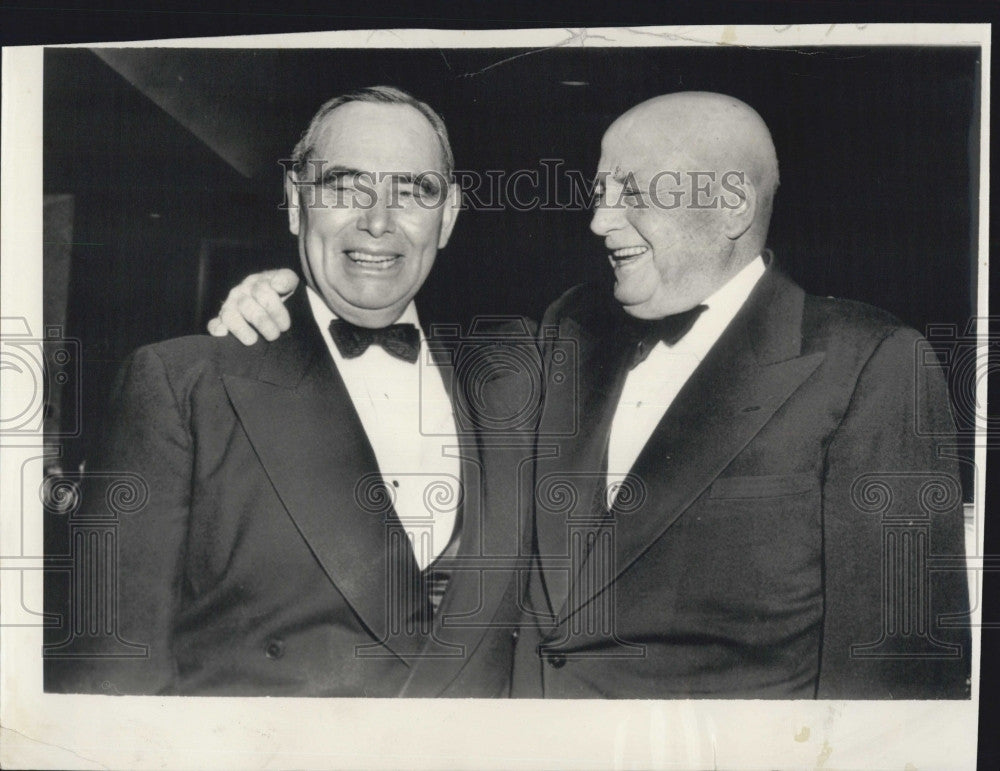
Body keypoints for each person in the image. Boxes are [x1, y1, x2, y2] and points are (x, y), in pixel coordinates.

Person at [209, 91, 971, 699]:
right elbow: (396, 355)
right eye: (602, 191)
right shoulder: (566, 330)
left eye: (632, 194)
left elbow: (899, 674)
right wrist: (281, 301)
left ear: (734, 203)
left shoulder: (869, 363)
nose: (600, 220)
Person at [45, 87, 532, 697]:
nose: (378, 221)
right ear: (298, 206)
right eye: (345, 187)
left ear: (449, 214)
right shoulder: (182, 385)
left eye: (413, 191)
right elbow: (110, 673)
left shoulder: (517, 379)